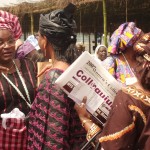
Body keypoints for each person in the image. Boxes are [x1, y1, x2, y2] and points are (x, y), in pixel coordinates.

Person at [74, 32, 150, 149]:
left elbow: (109, 147)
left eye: (134, 58)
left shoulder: (129, 100)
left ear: (143, 64)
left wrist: (84, 120)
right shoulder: (110, 63)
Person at [27, 3, 86, 150]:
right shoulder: (77, 72)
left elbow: (52, 138)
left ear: (45, 40)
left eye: (38, 36)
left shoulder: (54, 80)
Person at [0, 10, 37, 149]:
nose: (7, 46)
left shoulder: (29, 66)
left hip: (33, 139)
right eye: (0, 42)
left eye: (10, 41)